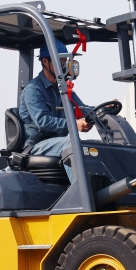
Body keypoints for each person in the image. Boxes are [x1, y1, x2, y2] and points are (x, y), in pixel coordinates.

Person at [18, 38, 91, 182]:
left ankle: (97, 190)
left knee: (93, 147)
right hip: (37, 145)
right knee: (72, 143)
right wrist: (74, 124)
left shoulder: (62, 88)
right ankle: (81, 191)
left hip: (57, 142)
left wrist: (103, 111)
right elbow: (42, 121)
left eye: (65, 61)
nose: (65, 65)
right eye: (61, 61)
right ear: (45, 62)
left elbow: (83, 109)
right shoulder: (33, 89)